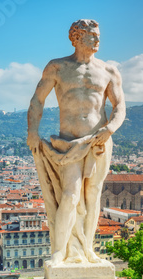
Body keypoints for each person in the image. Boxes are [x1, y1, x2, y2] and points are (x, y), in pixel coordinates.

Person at [27, 19, 126, 265]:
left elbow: (119, 106)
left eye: (98, 36)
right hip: (68, 143)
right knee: (70, 195)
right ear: (77, 37)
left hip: (98, 142)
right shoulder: (58, 67)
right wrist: (32, 132)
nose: (98, 40)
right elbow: (37, 101)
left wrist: (110, 129)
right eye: (93, 36)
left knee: (93, 196)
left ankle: (88, 250)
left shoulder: (109, 71)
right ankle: (60, 252)